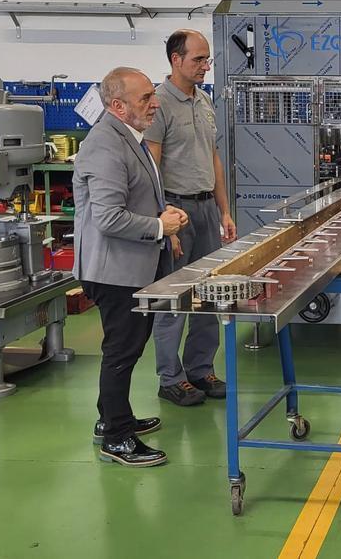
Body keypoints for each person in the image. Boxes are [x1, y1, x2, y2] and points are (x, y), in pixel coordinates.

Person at [73, 67, 190, 467]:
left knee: (128, 348)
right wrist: (159, 225)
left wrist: (163, 218)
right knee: (121, 352)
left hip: (132, 265)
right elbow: (107, 218)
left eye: (152, 95)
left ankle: (112, 420)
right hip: (114, 271)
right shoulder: (105, 145)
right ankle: (117, 439)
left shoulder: (129, 137)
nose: (154, 103)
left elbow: (136, 197)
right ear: (118, 105)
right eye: (145, 98)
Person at [144, 29, 236, 407]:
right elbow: (151, 164)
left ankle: (201, 369)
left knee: (209, 294)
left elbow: (213, 157)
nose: (205, 66)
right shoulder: (158, 104)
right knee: (175, 297)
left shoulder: (204, 100)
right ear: (175, 60)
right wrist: (164, 221)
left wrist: (224, 210)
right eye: (198, 59)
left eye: (207, 59)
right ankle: (171, 377)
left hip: (205, 207)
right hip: (175, 209)